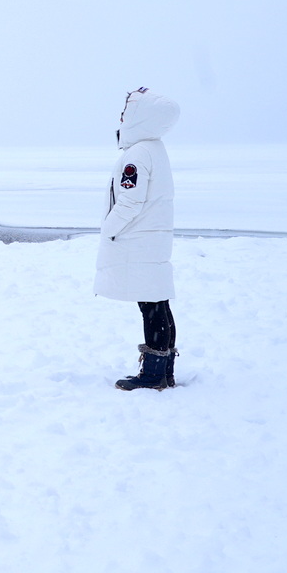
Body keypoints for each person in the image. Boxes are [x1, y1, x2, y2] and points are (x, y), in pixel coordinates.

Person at [95, 87, 180, 391]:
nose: (121, 115)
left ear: (142, 117)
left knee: (152, 305)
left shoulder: (139, 154)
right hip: (150, 240)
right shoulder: (153, 149)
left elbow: (130, 202)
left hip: (138, 241)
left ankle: (154, 374)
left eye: (127, 110)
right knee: (157, 303)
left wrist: (108, 228)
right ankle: (164, 370)